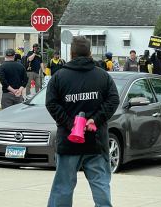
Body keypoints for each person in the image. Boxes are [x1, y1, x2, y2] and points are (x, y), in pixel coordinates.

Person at [45, 36, 120, 207]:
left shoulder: (59, 77)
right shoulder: (102, 76)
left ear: (71, 53)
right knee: (101, 185)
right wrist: (95, 120)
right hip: (96, 142)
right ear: (90, 53)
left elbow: (51, 103)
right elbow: (113, 100)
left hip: (68, 143)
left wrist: (70, 124)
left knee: (63, 187)